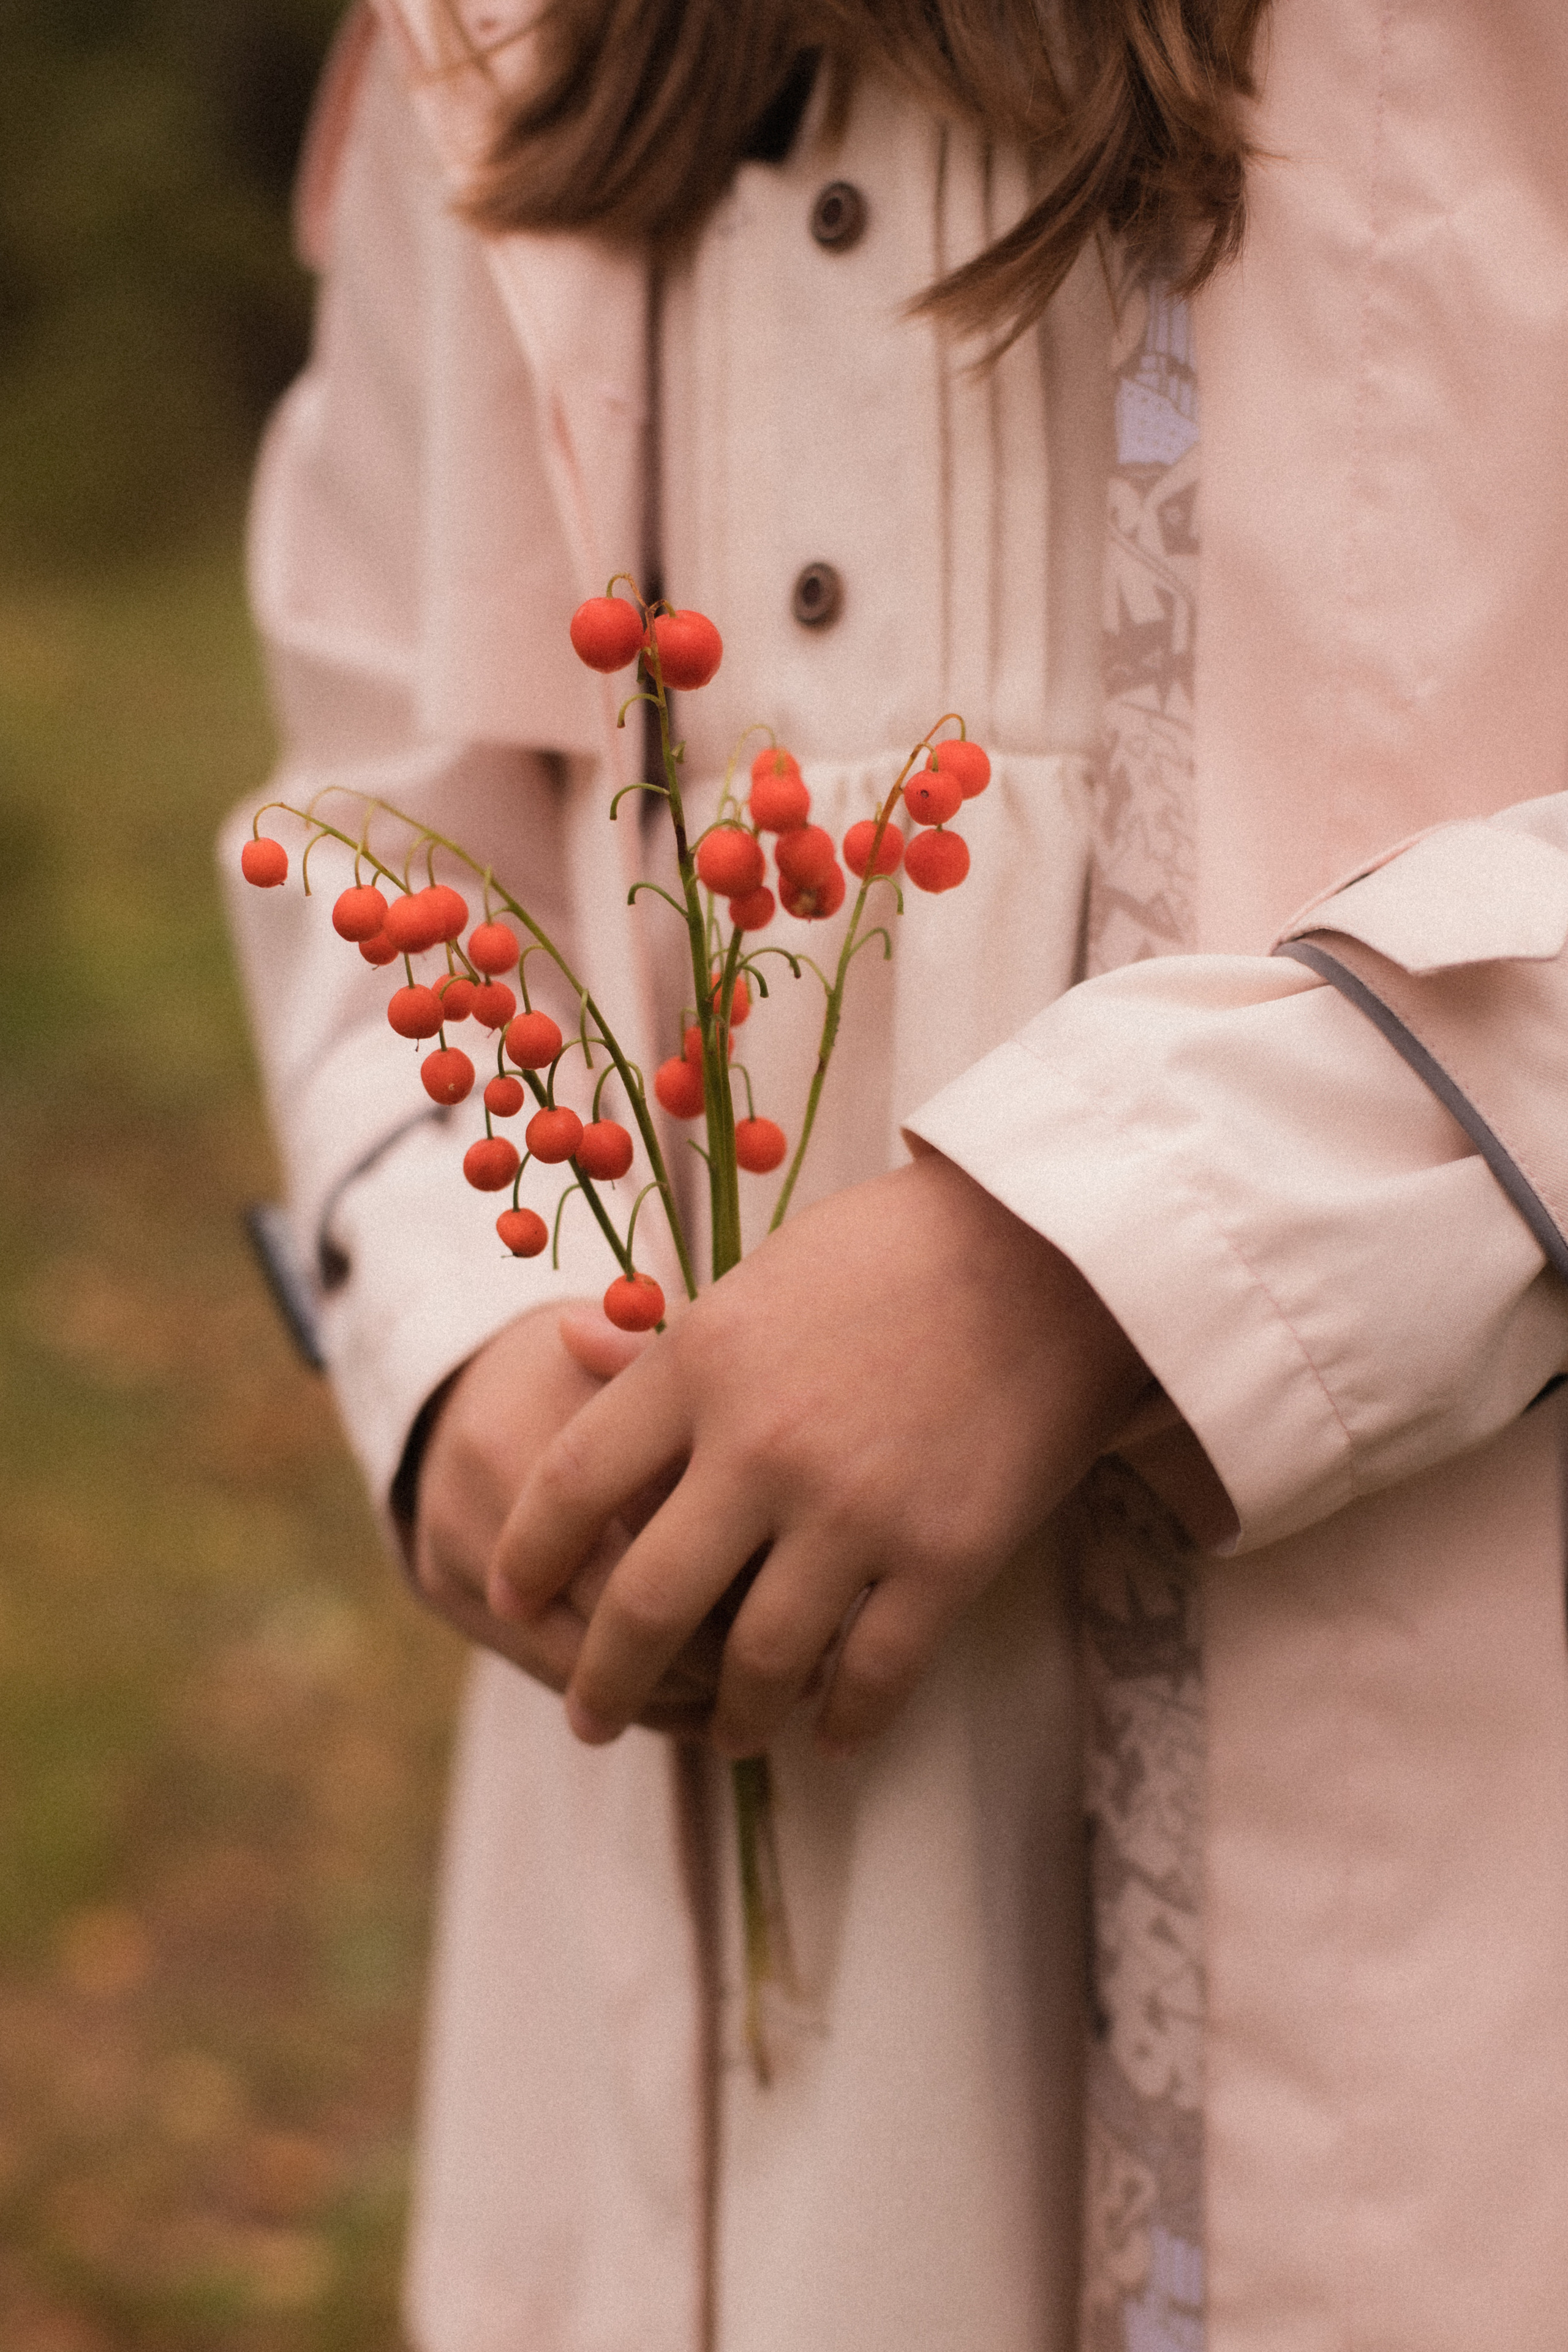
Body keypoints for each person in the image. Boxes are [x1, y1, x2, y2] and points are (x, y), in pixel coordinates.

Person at [225, 2, 1568, 2347]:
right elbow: (386, 764)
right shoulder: (497, 29)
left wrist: (1085, 1261)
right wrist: (449, 1324)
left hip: (1429, 1770)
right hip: (687, 1788)